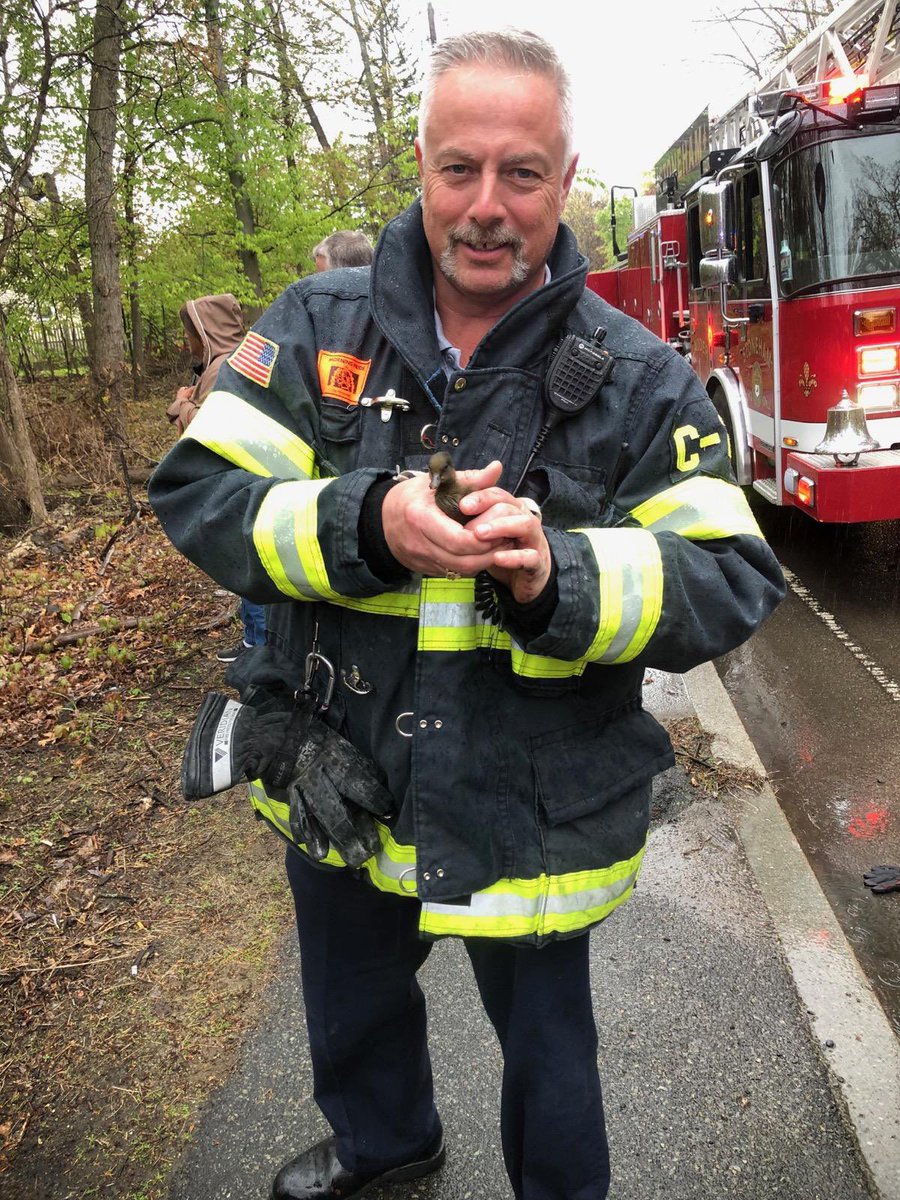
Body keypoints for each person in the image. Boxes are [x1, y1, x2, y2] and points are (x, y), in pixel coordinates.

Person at [149, 30, 785, 1200]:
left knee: (551, 1063)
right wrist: (364, 524)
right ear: (421, 164)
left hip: (532, 805)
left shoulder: (641, 378)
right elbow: (197, 491)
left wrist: (557, 580)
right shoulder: (312, 327)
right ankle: (387, 1151)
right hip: (344, 762)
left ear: (568, 175)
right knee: (350, 1005)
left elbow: (732, 580)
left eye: (522, 173)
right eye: (460, 170)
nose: (486, 207)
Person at [165, 294, 267, 663]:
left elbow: (214, 428)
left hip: (241, 481)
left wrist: (181, 404)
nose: (187, 342)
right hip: (248, 479)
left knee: (248, 560)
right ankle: (254, 639)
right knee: (244, 560)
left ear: (206, 332)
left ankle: (259, 647)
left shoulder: (225, 367)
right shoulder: (243, 356)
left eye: (190, 334)